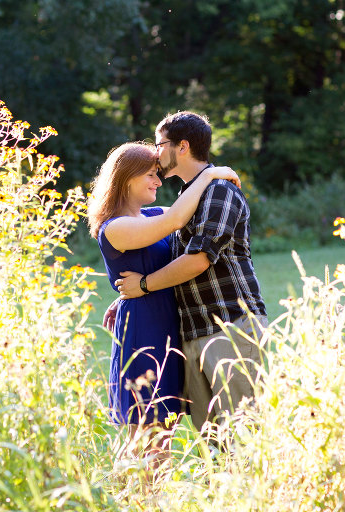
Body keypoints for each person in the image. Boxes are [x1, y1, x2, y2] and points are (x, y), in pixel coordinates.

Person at [110, 112, 268, 439]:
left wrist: (142, 286)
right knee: (213, 445)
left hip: (231, 327)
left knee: (244, 438)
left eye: (159, 144)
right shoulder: (187, 200)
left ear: (182, 147)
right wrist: (123, 296)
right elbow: (167, 254)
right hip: (194, 334)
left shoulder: (219, 191)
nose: (155, 153)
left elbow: (197, 261)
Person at [88, 141, 241, 452]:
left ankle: (145, 498)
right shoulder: (114, 228)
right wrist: (210, 176)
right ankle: (133, 499)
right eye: (150, 174)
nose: (158, 181)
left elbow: (186, 223)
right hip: (145, 333)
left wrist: (125, 297)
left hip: (170, 330)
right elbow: (175, 220)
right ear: (125, 178)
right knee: (147, 437)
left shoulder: (151, 215)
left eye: (158, 173)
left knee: (163, 433)